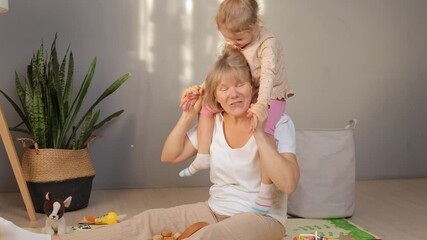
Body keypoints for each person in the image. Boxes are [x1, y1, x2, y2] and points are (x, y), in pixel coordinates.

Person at [0, 46, 299, 240]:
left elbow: (288, 184)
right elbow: (170, 155)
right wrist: (186, 116)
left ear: (254, 87)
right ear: (216, 96)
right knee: (147, 221)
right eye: (224, 87)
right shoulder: (213, 124)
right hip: (214, 208)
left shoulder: (278, 124)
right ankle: (44, 239)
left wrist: (259, 131)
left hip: (263, 220)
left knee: (205, 238)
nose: (233, 93)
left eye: (240, 84)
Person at [179, 0, 294, 215]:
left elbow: (267, 77)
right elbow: (222, 72)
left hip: (271, 95)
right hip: (249, 90)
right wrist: (202, 88)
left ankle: (265, 190)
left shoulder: (267, 43)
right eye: (228, 38)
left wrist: (262, 105)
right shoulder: (236, 43)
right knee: (206, 107)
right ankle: (203, 156)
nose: (234, 43)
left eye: (238, 39)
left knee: (265, 129)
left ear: (254, 26)